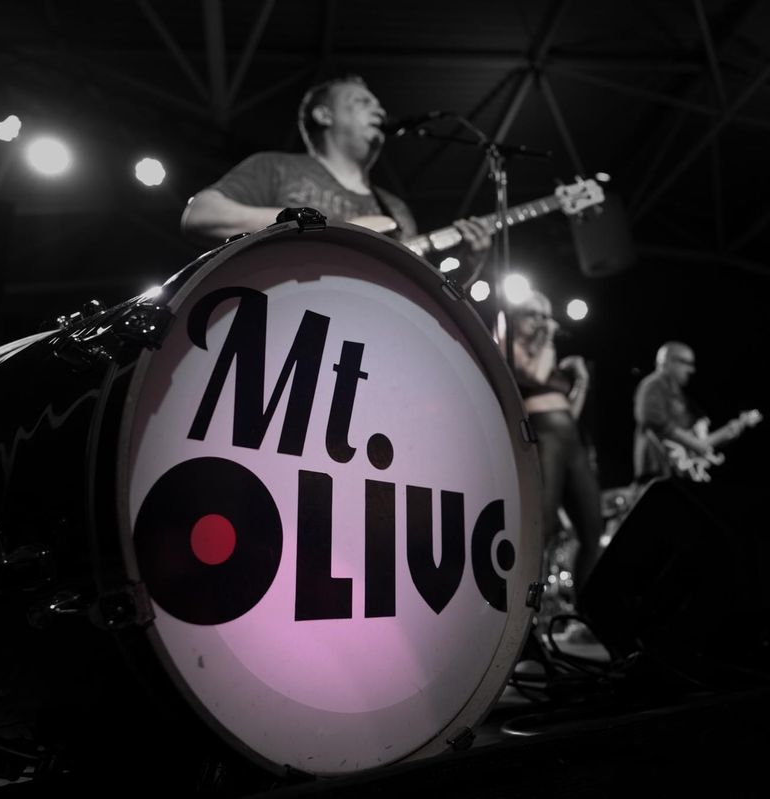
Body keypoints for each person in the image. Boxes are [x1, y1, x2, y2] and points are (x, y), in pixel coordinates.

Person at [180, 74, 490, 274]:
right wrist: (323, 227)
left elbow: (418, 297)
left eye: (379, 105)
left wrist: (469, 267)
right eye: (362, 102)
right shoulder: (275, 166)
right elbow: (200, 216)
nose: (380, 111)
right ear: (324, 115)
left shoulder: (396, 209)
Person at [503, 290, 603, 605]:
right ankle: (526, 610)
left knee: (592, 529)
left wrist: (582, 382)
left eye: (546, 315)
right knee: (542, 527)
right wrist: (548, 340)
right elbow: (532, 375)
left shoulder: (547, 355)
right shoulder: (511, 346)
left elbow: (569, 411)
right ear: (517, 317)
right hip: (542, 436)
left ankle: (586, 610)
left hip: (570, 438)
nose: (541, 321)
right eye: (533, 314)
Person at [632, 341, 747, 484]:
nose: (691, 370)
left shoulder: (680, 396)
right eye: (686, 362)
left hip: (675, 472)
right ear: (668, 361)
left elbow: (693, 437)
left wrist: (728, 432)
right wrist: (696, 444)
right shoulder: (653, 384)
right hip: (656, 471)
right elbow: (651, 418)